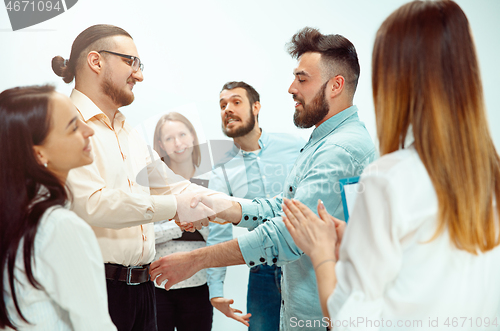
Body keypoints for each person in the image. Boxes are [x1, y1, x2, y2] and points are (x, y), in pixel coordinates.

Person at [282, 0, 500, 329]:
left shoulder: (388, 180)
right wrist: (358, 241)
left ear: (396, 80)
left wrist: (322, 251)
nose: (291, 89)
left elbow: (348, 322)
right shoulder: (491, 176)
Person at [151, 27, 377, 330]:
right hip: (288, 292)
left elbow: (288, 234)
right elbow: (286, 209)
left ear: (335, 85)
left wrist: (198, 259)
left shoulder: (339, 150)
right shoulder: (320, 142)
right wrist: (224, 208)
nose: (290, 88)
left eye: (302, 79)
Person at [51, 24, 220, 330]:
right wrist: (177, 206)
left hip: (143, 290)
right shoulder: (65, 121)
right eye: (131, 62)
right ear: (96, 61)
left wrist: (241, 209)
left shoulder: (126, 129)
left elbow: (169, 183)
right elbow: (93, 204)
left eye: (139, 65)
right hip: (97, 287)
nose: (139, 75)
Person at [0, 85, 116, 330]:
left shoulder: (15, 216)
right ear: (39, 153)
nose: (89, 131)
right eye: (74, 126)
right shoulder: (58, 227)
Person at [207, 81, 304, 329]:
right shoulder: (222, 171)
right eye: (222, 105)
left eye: (236, 102)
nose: (227, 109)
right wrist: (216, 290)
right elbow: (219, 232)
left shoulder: (294, 145)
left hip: (304, 264)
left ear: (256, 107)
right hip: (262, 271)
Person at [152, 112, 213, 331]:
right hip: (157, 288)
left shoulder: (210, 182)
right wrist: (181, 224)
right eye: (169, 138)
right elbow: (146, 236)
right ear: (160, 145)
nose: (178, 143)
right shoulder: (152, 186)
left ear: (193, 137)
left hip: (198, 287)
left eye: (182, 134)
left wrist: (169, 220)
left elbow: (214, 236)